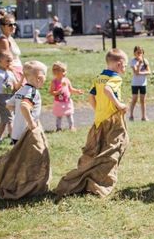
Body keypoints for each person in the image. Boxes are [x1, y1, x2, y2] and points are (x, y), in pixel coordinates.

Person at [55, 49, 130, 198]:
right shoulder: (116, 78)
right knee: (115, 148)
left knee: (97, 148)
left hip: (99, 120)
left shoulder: (99, 77)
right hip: (113, 119)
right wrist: (119, 105)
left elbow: (91, 97)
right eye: (125, 66)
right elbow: (109, 90)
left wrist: (98, 110)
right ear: (119, 64)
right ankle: (102, 181)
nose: (125, 69)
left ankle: (91, 174)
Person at [0, 61, 50, 200]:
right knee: (33, 159)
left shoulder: (21, 90)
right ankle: (29, 186)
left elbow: (9, 105)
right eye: (45, 77)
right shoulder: (32, 92)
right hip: (26, 133)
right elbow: (25, 106)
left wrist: (18, 113)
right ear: (39, 78)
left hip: (15, 133)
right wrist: (31, 124)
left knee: (18, 160)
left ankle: (16, 182)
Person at [0, 52, 21, 144]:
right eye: (8, 61)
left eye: (11, 61)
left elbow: (16, 87)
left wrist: (20, 77)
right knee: (11, 119)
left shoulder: (10, 73)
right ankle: (13, 140)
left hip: (11, 97)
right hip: (3, 99)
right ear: (0, 61)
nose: (10, 63)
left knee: (4, 120)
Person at [49, 61, 83, 131]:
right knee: (59, 116)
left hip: (67, 101)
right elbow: (51, 92)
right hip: (58, 102)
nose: (65, 72)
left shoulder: (66, 80)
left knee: (69, 114)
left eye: (65, 71)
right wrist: (57, 92)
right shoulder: (54, 82)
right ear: (56, 72)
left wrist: (77, 91)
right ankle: (58, 128)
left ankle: (71, 126)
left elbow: (70, 89)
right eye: (63, 71)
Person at [0, 14, 24, 83]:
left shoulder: (10, 38)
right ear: (2, 27)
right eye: (10, 25)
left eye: (14, 24)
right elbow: (6, 62)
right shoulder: (4, 40)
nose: (13, 26)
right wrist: (17, 77)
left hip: (18, 69)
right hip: (12, 73)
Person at [129, 46, 151, 121]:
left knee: (143, 100)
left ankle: (144, 116)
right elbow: (136, 72)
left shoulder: (145, 61)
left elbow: (149, 71)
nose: (139, 54)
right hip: (135, 83)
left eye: (140, 52)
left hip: (143, 83)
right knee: (134, 99)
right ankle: (131, 115)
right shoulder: (133, 61)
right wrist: (138, 64)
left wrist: (141, 72)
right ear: (134, 53)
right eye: (137, 52)